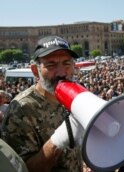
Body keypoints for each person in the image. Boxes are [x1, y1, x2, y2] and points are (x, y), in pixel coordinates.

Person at [2, 35, 85, 172]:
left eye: (66, 63)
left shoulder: (72, 97)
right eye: (51, 65)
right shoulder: (22, 109)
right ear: (35, 70)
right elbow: (22, 169)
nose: (61, 72)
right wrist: (58, 140)